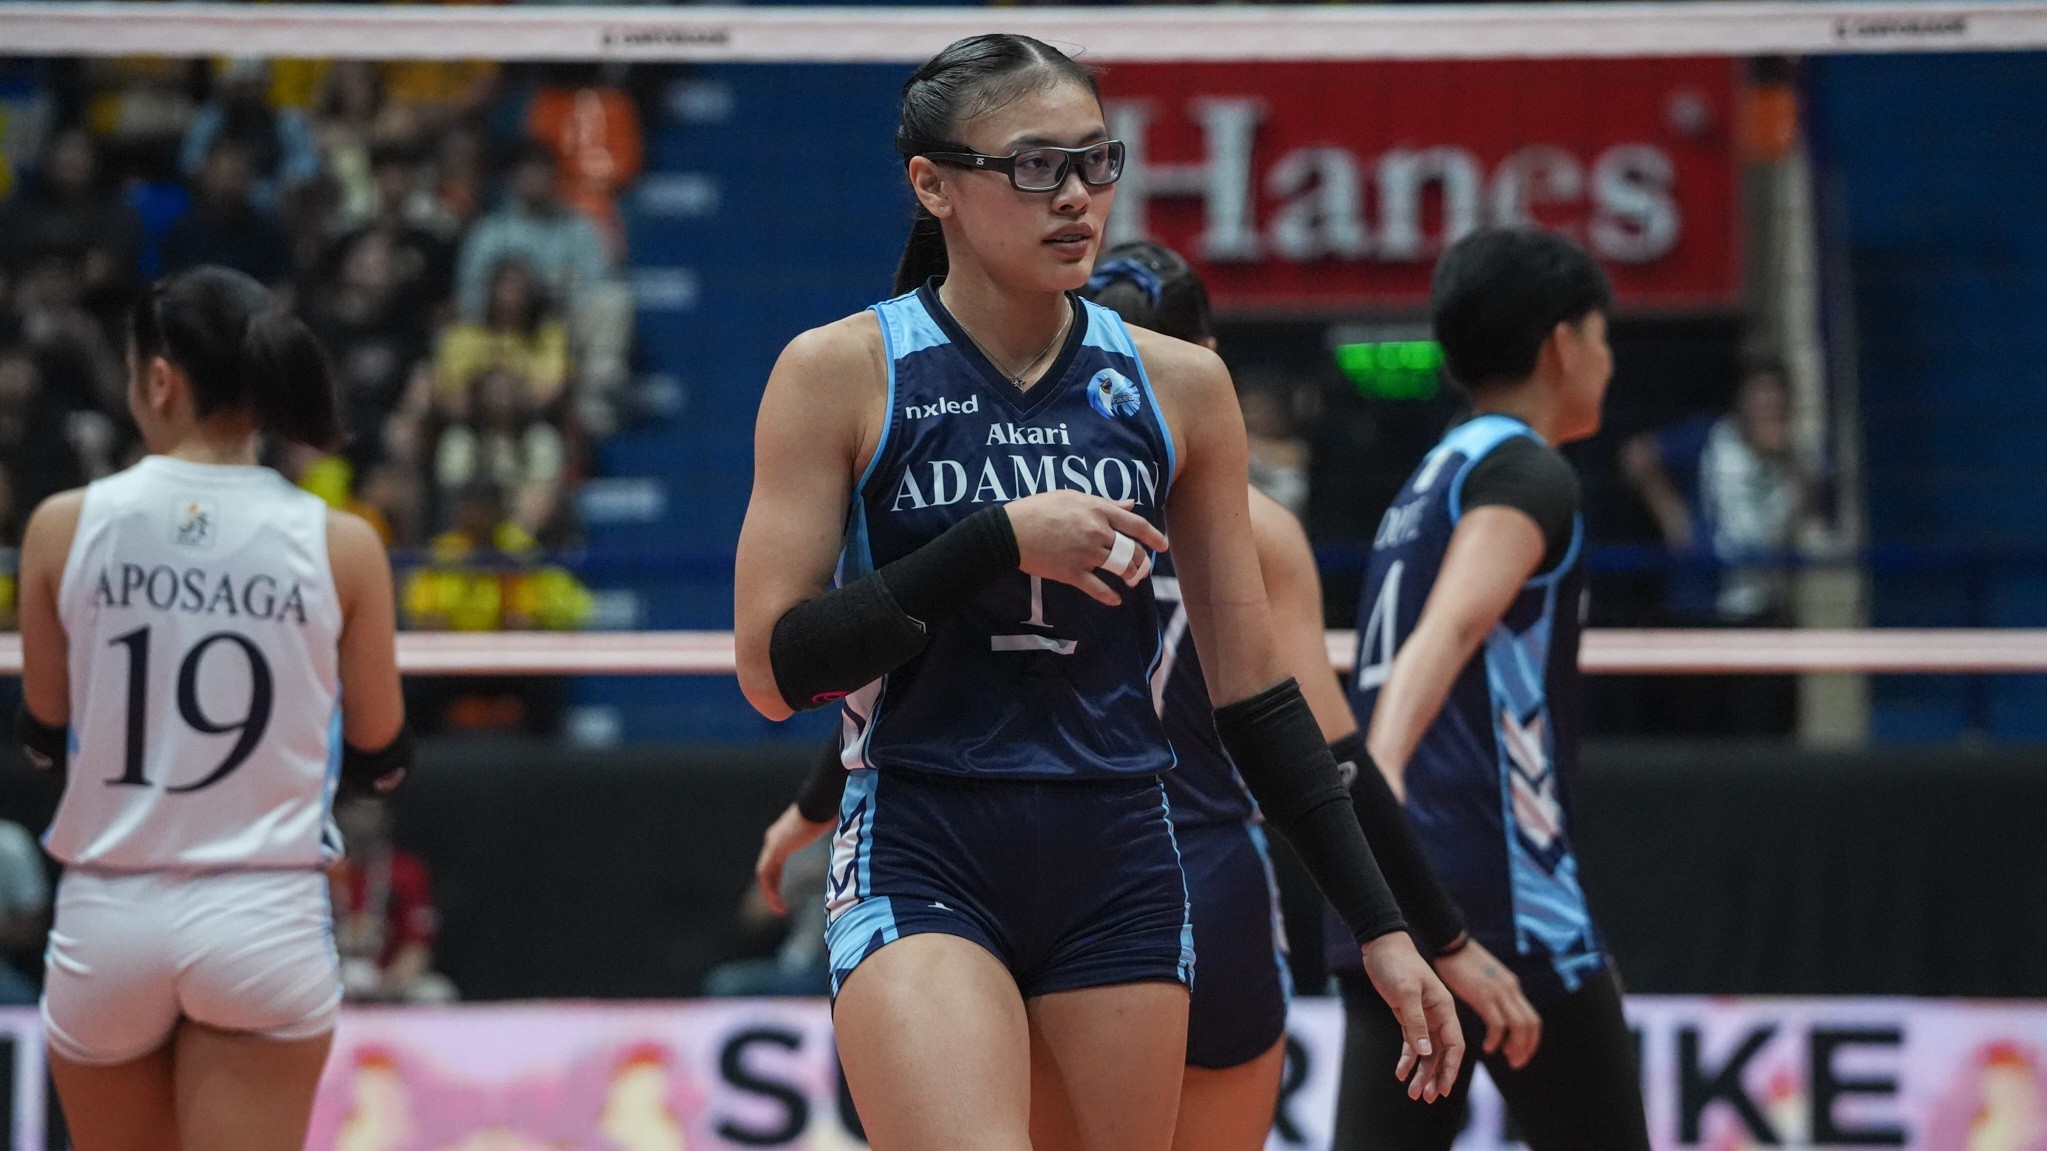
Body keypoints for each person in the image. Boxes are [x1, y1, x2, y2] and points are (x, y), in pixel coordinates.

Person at [733, 35, 1460, 1151]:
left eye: (1094, 161)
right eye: (1034, 166)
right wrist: (996, 539)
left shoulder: (1181, 385)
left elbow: (1259, 698)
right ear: (932, 184)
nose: (1075, 195)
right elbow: (774, 669)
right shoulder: (839, 371)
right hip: (925, 838)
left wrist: (1383, 925)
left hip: (1119, 850)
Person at [16, 265, 412, 1151]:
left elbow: (43, 731)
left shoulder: (61, 526)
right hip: (260, 911)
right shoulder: (342, 542)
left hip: (108, 914)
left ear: (159, 380)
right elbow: (382, 754)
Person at [1332, 227, 1650, 1150]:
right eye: (1602, 337)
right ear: (1562, 345)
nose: (1608, 360)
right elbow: (1452, 627)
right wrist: (1380, 775)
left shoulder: (1431, 475)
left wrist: (1370, 846)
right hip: (1497, 898)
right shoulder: (1524, 470)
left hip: (1389, 894)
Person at [329, 797, 457, 1005]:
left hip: (390, 977)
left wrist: (388, 985)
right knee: (356, 977)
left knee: (436, 993)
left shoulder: (406, 870)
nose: (363, 820)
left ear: (385, 817)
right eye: (356, 811)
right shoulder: (320, 870)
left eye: (371, 811)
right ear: (339, 815)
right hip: (333, 974)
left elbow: (417, 944)